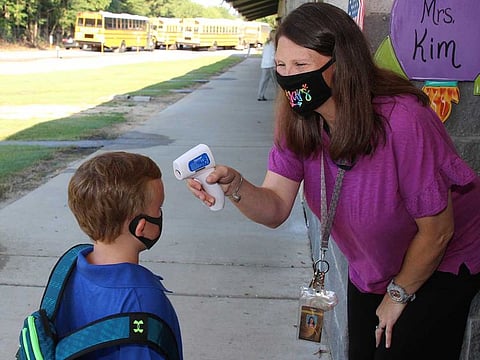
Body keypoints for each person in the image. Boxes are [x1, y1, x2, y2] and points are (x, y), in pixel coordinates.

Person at [186, 3, 480, 360]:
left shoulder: (404, 122)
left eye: (301, 66)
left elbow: (437, 232)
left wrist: (398, 294)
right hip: (374, 266)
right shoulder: (298, 120)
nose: (289, 78)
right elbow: (276, 207)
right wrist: (235, 186)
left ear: (342, 65)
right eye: (281, 66)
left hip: (440, 260)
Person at [56, 151, 183, 359]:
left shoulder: (68, 270)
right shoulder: (143, 303)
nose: (160, 215)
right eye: (159, 208)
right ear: (141, 227)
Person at [257, 29, 276, 101]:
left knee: (263, 81)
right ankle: (278, 96)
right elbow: (273, 55)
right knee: (276, 82)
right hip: (271, 65)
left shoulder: (266, 43)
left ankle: (260, 95)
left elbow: (263, 53)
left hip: (264, 64)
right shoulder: (274, 44)